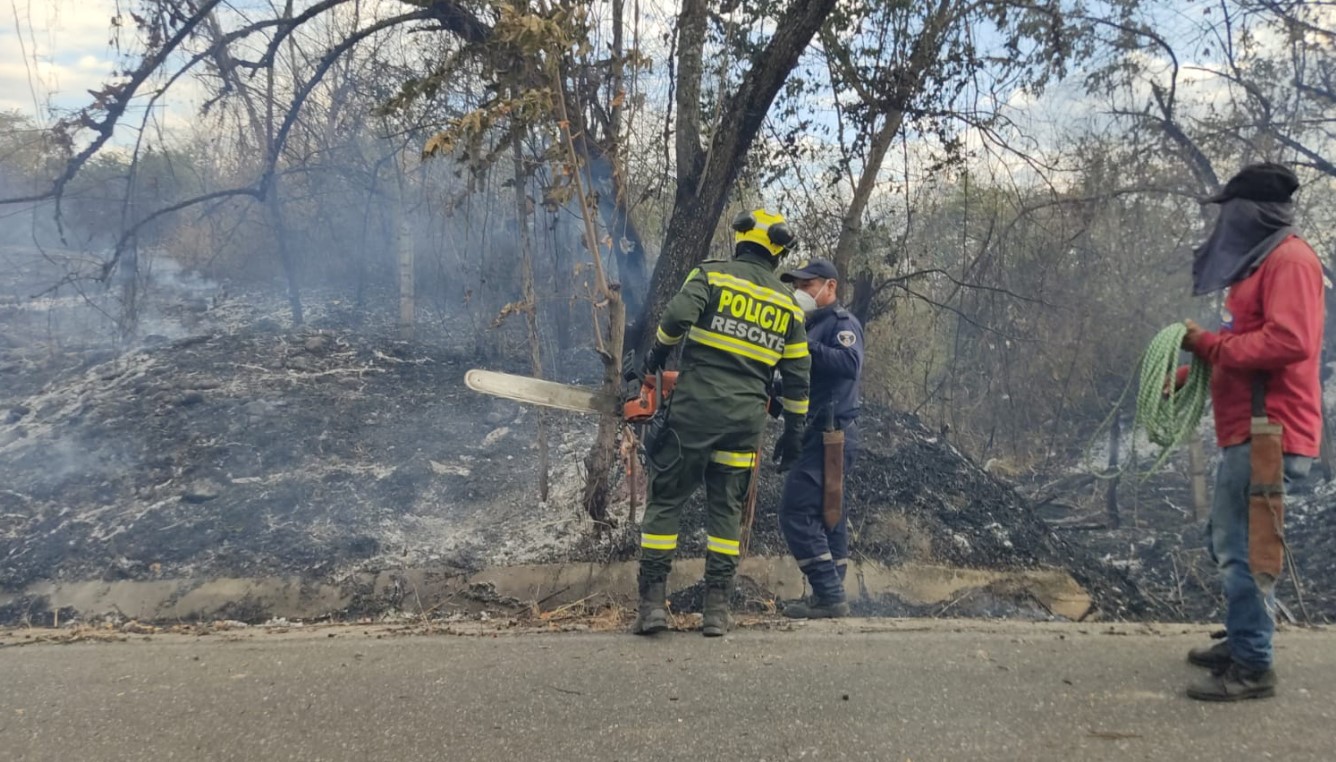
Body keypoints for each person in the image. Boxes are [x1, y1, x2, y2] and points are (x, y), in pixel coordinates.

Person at [1177, 162, 1325, 701]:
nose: (1226, 222)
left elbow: (1288, 342)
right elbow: (1248, 344)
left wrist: (1209, 347)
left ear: (1256, 212)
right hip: (1249, 429)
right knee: (1229, 541)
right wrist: (1193, 372)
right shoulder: (1262, 264)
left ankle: (1254, 665)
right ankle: (1242, 640)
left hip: (1270, 432)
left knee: (1244, 547)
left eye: (1232, 210)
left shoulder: (1289, 261)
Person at [631, 209, 812, 637]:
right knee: (726, 512)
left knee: (666, 501)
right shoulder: (787, 304)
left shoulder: (711, 276)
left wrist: (655, 357)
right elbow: (799, 376)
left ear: (742, 241)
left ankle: (653, 606)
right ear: (779, 252)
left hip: (693, 416)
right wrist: (795, 430)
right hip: (745, 424)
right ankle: (716, 612)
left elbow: (675, 319)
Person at [772, 259, 864, 619]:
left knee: (795, 510)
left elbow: (848, 365)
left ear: (830, 287)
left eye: (807, 286)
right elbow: (812, 385)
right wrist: (774, 394)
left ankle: (828, 594)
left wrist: (803, 347)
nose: (800, 293)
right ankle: (831, 592)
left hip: (831, 436)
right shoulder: (811, 325)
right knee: (830, 515)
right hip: (819, 433)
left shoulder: (841, 324)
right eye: (797, 286)